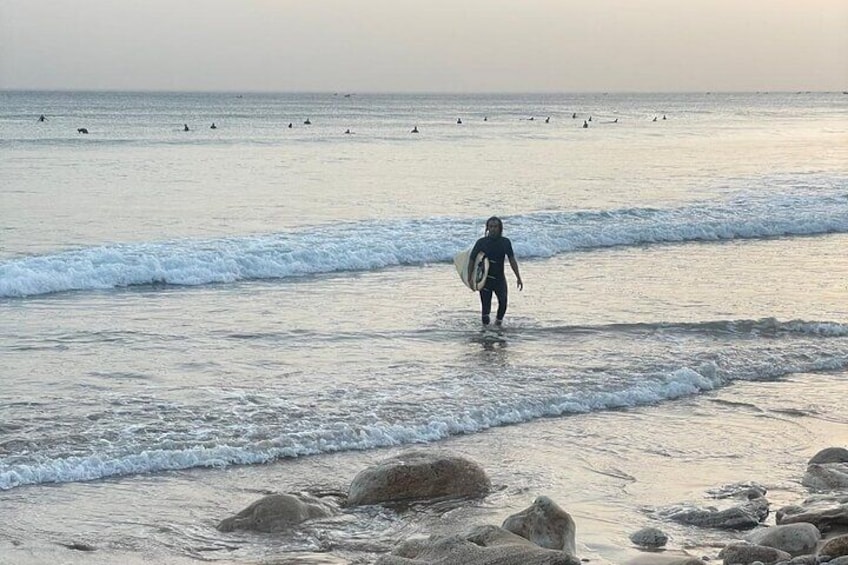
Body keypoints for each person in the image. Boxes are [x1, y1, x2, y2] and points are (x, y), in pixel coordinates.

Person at [467, 216, 523, 326]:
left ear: (500, 228)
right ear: (487, 228)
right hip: (485, 279)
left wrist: (518, 277)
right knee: (485, 310)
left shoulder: (505, 242)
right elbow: (472, 259)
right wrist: (469, 277)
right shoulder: (481, 242)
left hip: (499, 279)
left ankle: (498, 325)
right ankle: (486, 334)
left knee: (503, 303)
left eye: (496, 227)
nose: (493, 229)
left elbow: (512, 260)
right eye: (491, 226)